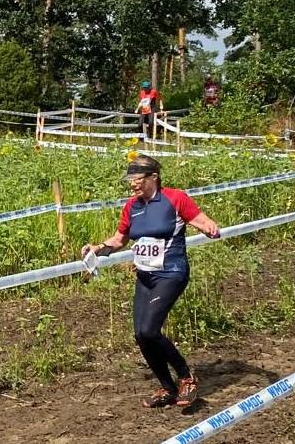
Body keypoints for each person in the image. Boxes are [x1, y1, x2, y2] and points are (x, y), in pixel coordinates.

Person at [81, 155, 220, 408]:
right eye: (130, 180)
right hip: (145, 277)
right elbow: (119, 239)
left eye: (137, 179)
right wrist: (97, 248)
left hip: (171, 273)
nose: (133, 184)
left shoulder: (175, 198)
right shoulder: (132, 206)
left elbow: (203, 221)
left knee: (149, 330)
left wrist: (211, 228)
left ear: (153, 177)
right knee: (140, 335)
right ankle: (168, 388)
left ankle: (186, 377)